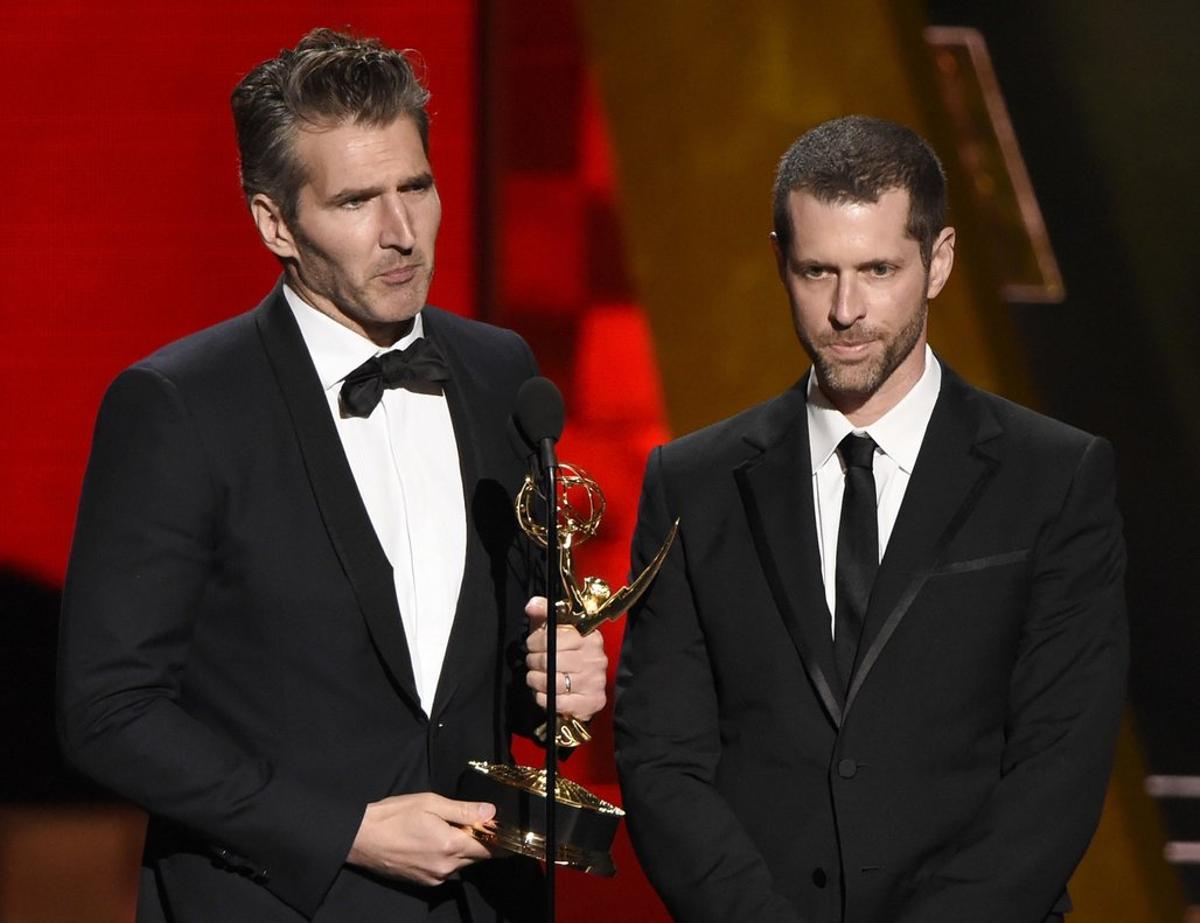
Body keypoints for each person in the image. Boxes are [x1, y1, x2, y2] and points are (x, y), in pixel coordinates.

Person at [57, 28, 606, 923]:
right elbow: (108, 711)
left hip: (487, 903)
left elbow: (485, 663)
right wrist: (341, 828)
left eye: (416, 187)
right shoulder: (179, 406)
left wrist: (554, 682)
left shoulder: (500, 369)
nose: (401, 234)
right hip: (277, 902)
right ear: (275, 221)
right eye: (356, 201)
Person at [614, 115, 1127, 922]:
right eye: (818, 271)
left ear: (939, 261)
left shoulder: (1054, 477)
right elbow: (662, 758)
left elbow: (1058, 768)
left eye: (878, 269)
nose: (846, 309)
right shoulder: (694, 481)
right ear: (780, 261)